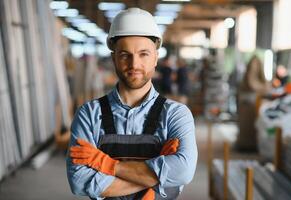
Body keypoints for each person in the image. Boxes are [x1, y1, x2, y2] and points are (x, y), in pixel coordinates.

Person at [66, 8, 198, 200]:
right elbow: (79, 182)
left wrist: (109, 165)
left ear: (155, 58)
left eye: (143, 54)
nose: (134, 64)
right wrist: (158, 176)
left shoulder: (176, 115)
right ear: (114, 58)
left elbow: (183, 173)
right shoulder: (89, 114)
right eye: (125, 54)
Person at [236, 55, 270, 151]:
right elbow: (253, 85)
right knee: (246, 131)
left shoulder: (261, 78)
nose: (254, 67)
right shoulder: (247, 79)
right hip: (246, 109)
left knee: (255, 130)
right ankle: (244, 146)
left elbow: (266, 88)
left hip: (255, 108)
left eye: (256, 64)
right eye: (253, 64)